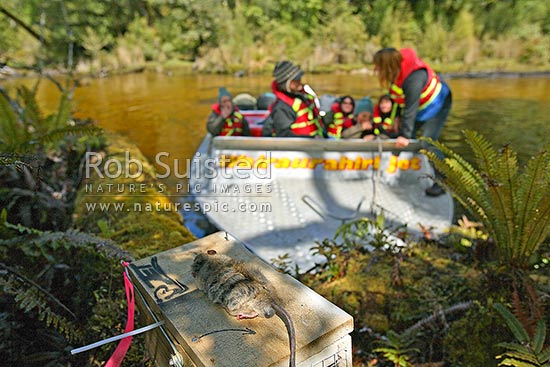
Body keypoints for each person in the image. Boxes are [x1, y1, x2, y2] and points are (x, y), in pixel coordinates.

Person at [373, 47, 452, 196]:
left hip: (438, 104)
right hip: (420, 107)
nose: (375, 69)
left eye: (378, 65)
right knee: (403, 135)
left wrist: (405, 134)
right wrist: (396, 119)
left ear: (387, 66)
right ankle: (403, 171)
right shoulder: (396, 73)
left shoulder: (414, 77)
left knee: (429, 142)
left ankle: (443, 181)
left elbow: (411, 108)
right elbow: (398, 99)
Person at [261, 61, 324, 138]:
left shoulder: (302, 97)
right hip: (299, 147)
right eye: (295, 80)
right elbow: (283, 135)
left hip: (316, 142)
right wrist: (311, 139)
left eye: (299, 78)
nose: (299, 81)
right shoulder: (281, 107)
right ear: (286, 84)